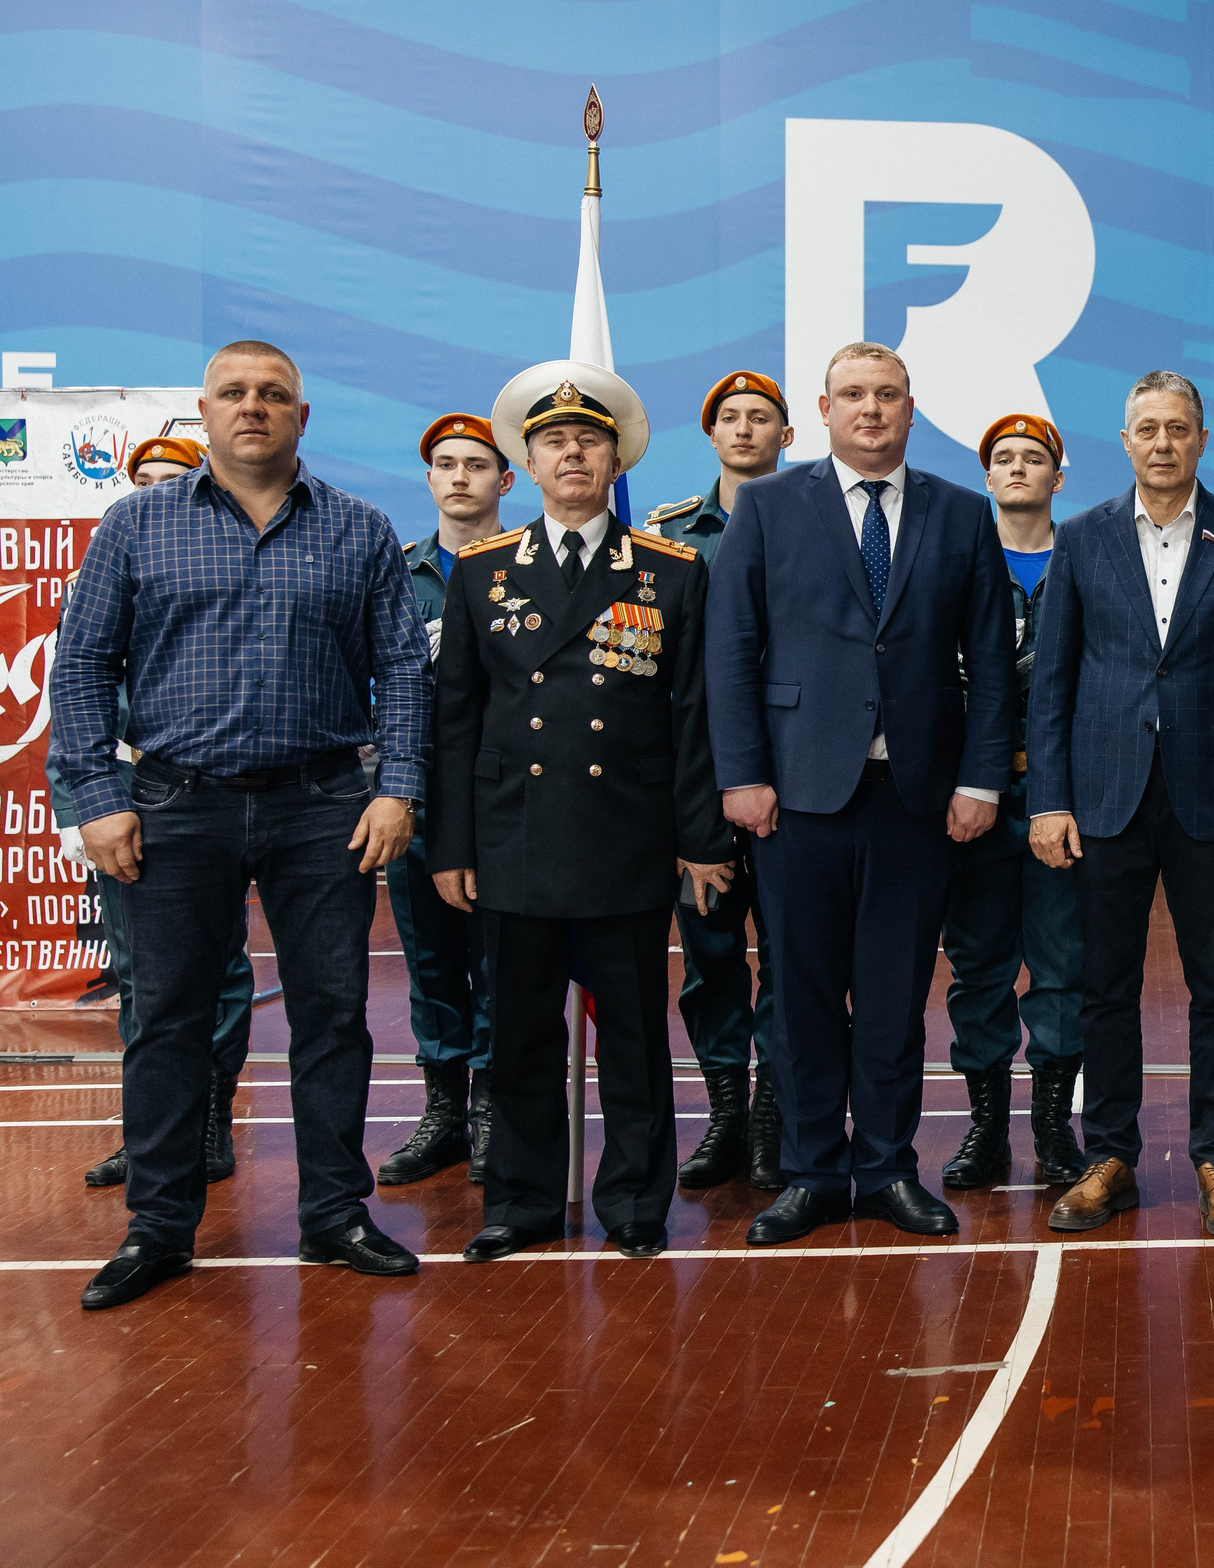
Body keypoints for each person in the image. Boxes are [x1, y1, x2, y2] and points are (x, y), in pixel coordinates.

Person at [54, 340, 429, 1309]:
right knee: (169, 1021)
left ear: (302, 417)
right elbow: (85, 667)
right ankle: (160, 1224)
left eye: (273, 394)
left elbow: (405, 672)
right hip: (175, 806)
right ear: (204, 413)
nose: (253, 407)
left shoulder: (358, 530)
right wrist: (93, 800)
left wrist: (399, 788)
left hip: (324, 808)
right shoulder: (135, 527)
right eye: (234, 393)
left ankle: (336, 1213)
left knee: (334, 1020)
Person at [704, 341, 1012, 1245]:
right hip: (794, 794)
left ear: (912, 410)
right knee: (798, 996)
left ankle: (883, 1168)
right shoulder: (766, 506)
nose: (871, 410)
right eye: (853, 395)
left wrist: (981, 778)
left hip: (919, 796)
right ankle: (808, 1172)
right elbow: (730, 652)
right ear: (824, 411)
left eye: (887, 395)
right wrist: (743, 775)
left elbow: (991, 663)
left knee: (892, 994)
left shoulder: (961, 513)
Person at [431, 361, 732, 1262]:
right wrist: (452, 844)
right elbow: (454, 721)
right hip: (515, 839)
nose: (573, 454)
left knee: (636, 1041)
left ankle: (637, 1203)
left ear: (615, 461)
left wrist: (700, 841)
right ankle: (521, 1204)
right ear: (525, 464)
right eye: (555, 442)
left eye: (590, 442)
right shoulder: (481, 574)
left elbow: (691, 719)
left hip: (624, 843)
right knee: (520, 1040)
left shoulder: (669, 574)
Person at [1026, 369, 1214, 1240]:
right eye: (1148, 428)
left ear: (1203, 441)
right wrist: (1050, 799)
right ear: (1126, 439)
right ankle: (1111, 1158)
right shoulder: (1081, 537)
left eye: (1180, 428)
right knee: (1104, 986)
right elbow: (1053, 680)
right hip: (1103, 797)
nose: (1164, 442)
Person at [58, 435, 257, 1192]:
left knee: (220, 966)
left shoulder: (215, 575)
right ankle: (151, 1134)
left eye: (171, 480)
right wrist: (83, 806)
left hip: (193, 797)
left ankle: (209, 1117)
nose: (152, 493)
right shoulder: (106, 577)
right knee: (141, 977)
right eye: (141, 481)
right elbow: (75, 696)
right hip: (117, 804)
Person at [644, 370, 795, 1191]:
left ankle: (774, 1117)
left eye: (760, 417)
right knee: (709, 960)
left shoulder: (811, 524)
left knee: (790, 956)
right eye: (729, 418)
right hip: (700, 780)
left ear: (787, 434)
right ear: (710, 436)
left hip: (798, 778)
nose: (744, 429)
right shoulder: (670, 538)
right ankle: (727, 1116)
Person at [937, 412, 1087, 1192]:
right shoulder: (953, 563)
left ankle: (1055, 1129)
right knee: (979, 966)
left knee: (1063, 965)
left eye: (1035, 458)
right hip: (976, 795)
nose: (1019, 468)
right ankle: (985, 1130)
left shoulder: (1092, 561)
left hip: (1062, 795)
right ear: (986, 478)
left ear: (1059, 479)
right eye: (1004, 459)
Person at [377, 413, 508, 1190]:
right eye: (446, 465)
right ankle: (444, 1113)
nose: (460, 477)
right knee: (430, 965)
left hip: (502, 803)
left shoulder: (526, 567)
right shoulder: (395, 573)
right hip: (418, 799)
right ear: (429, 480)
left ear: (505, 480)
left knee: (501, 965)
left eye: (477, 465)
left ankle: (494, 1107)